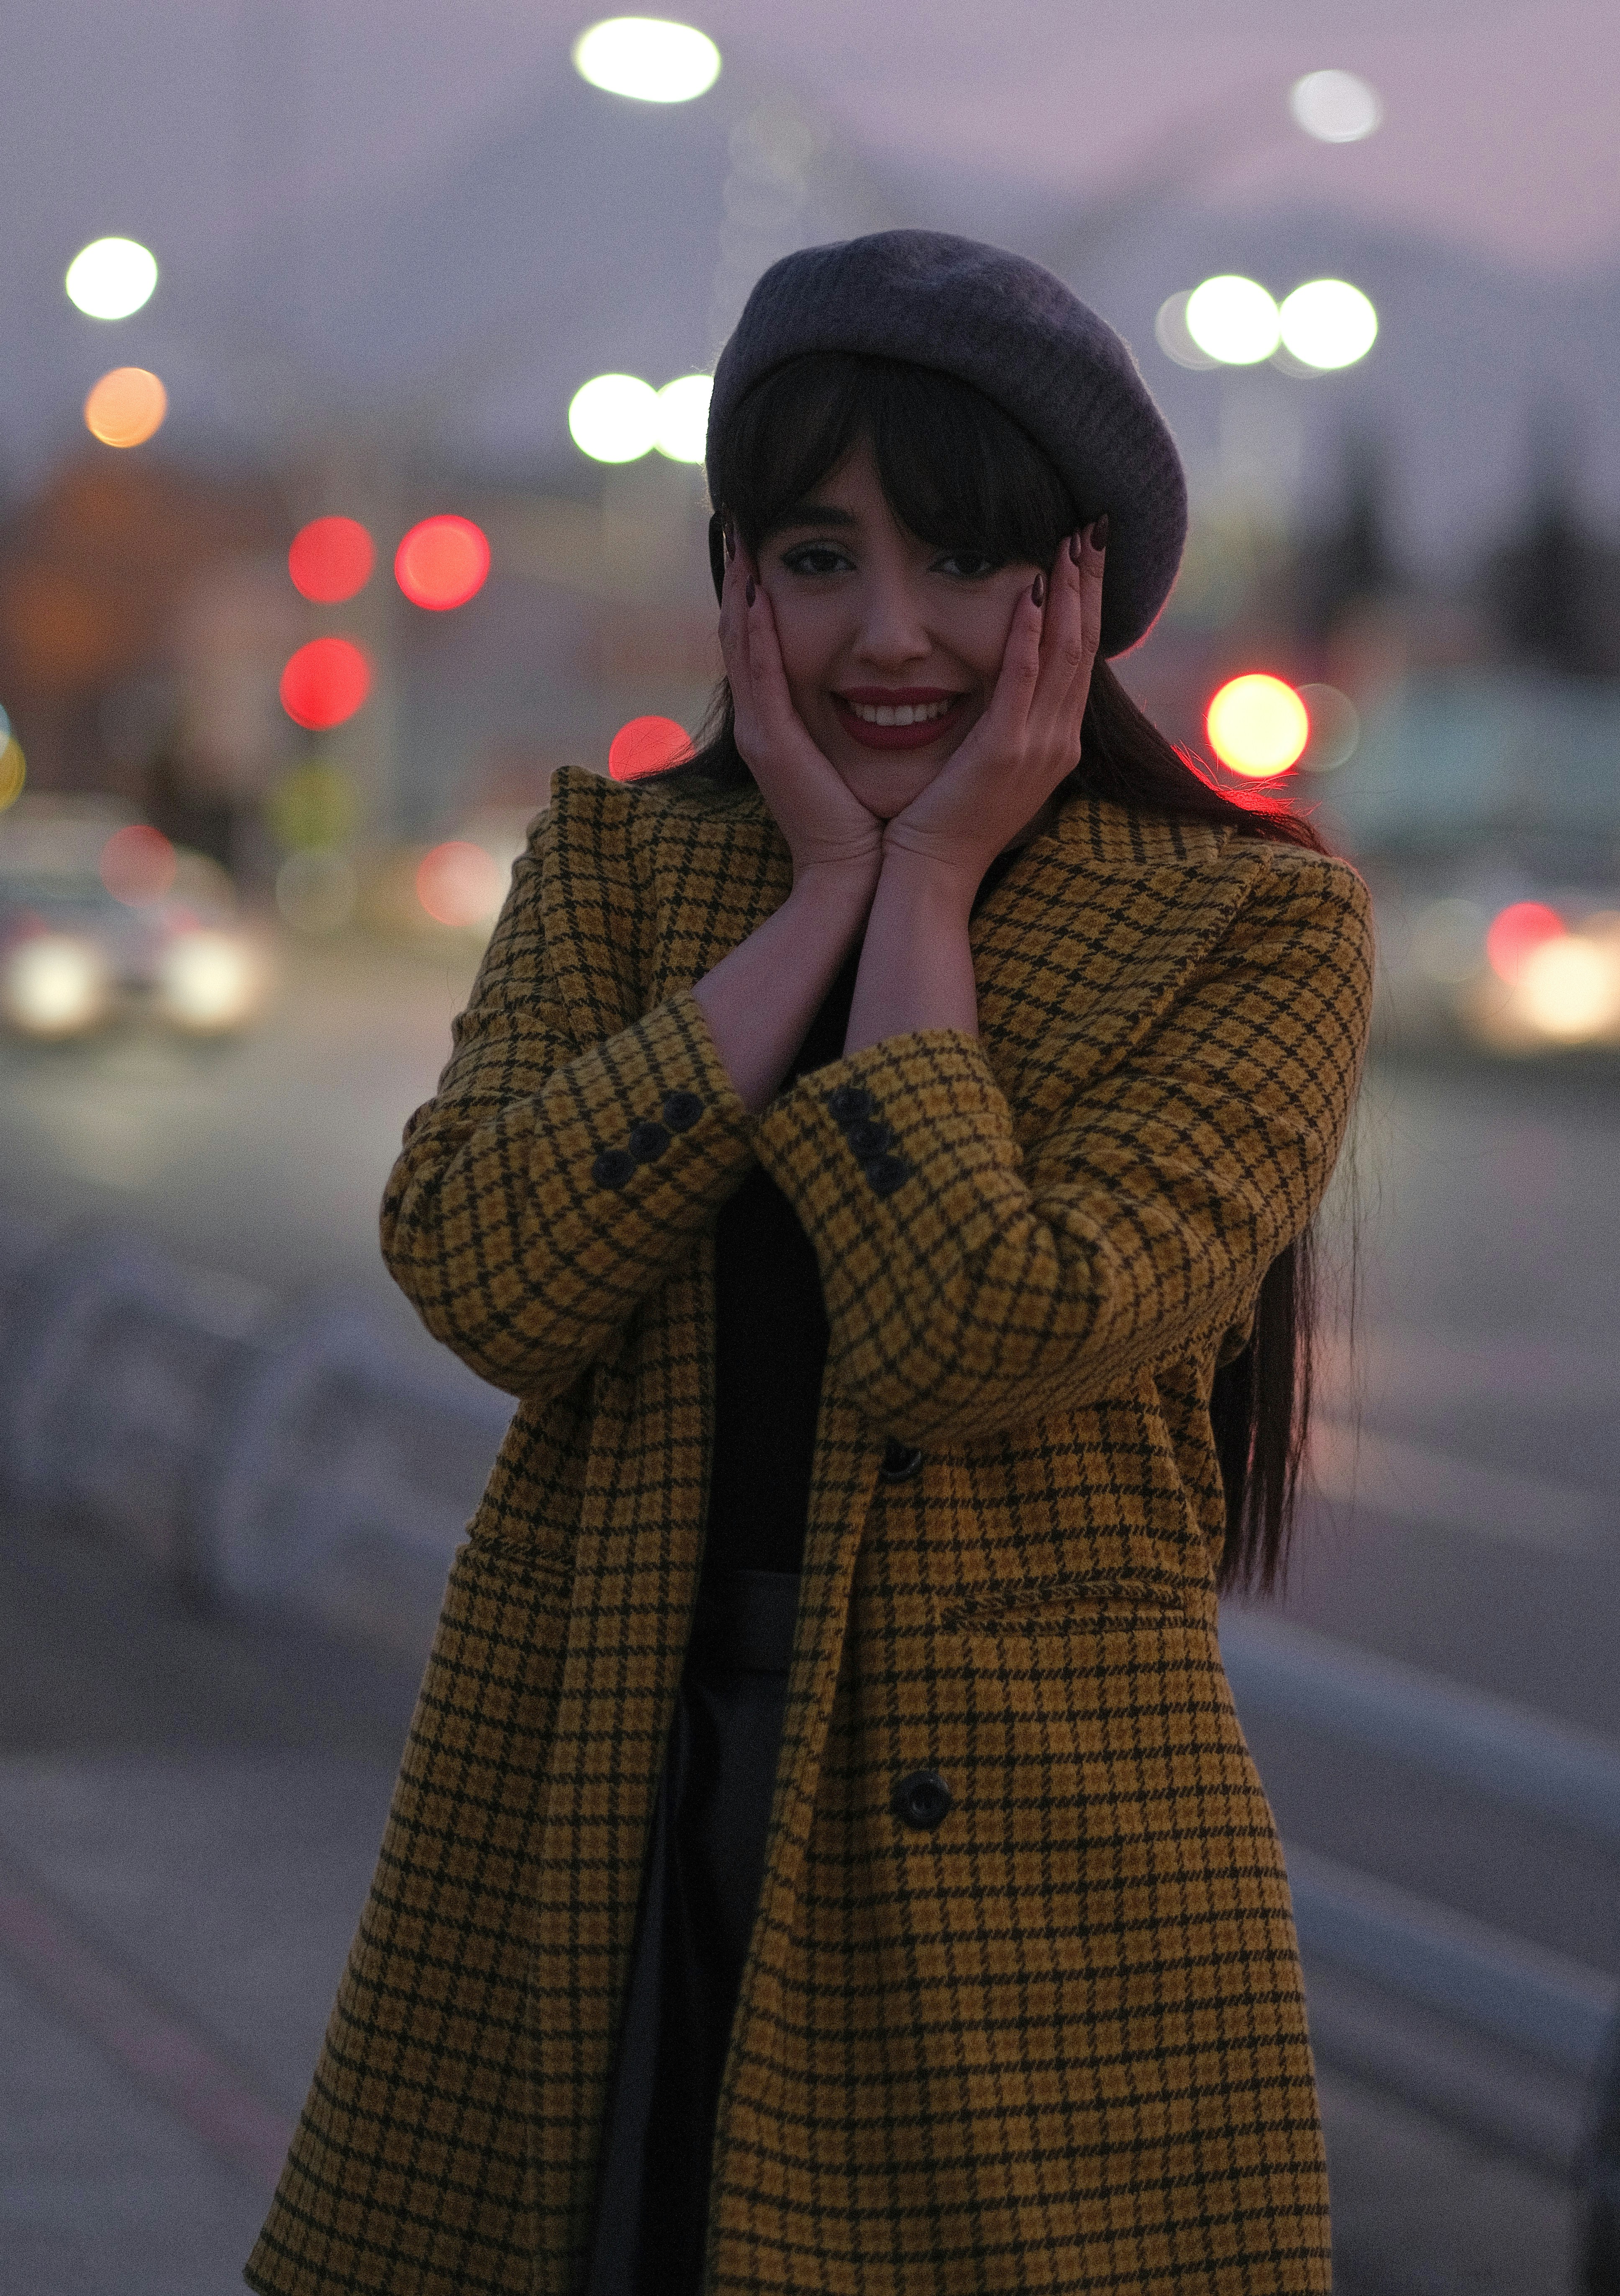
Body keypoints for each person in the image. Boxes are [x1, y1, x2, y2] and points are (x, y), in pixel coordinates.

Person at [247, 232, 1373, 2296]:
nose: (889, 635)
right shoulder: (615, 860)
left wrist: (924, 889)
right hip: (596, 1772)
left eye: (958, 563)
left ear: (1080, 587)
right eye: (817, 556)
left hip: (1031, 1862)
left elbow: (975, 1331)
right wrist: (806, 925)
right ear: (732, 577)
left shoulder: (1251, 927)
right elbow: (481, 1271)